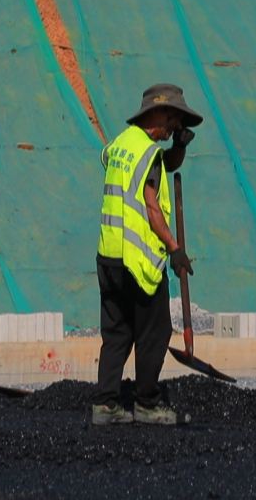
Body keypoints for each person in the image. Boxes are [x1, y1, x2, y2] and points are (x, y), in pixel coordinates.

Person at [92, 83, 202, 426]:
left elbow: (160, 166)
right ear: (157, 112)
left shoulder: (121, 145)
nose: (174, 127)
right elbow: (152, 207)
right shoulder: (148, 154)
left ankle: (106, 404)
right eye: (173, 119)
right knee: (154, 331)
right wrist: (175, 249)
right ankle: (147, 403)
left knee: (117, 332)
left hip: (109, 256)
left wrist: (178, 147)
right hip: (138, 260)